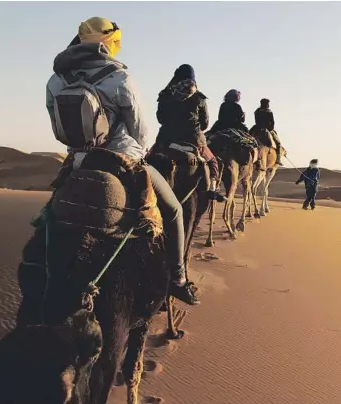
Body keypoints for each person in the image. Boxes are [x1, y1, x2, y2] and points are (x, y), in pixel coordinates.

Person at [45, 17, 199, 305]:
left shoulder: (56, 79)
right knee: (175, 211)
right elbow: (140, 131)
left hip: (78, 162)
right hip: (122, 161)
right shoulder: (120, 78)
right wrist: (138, 154)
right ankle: (178, 278)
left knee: (48, 213)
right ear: (111, 42)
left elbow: (56, 125)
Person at [155, 64, 225, 202]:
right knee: (213, 162)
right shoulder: (199, 97)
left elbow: (160, 118)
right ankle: (212, 189)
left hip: (166, 139)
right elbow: (204, 124)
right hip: (193, 141)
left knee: (146, 159)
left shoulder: (165, 94)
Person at [254, 98, 283, 165]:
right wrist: (270, 128)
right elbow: (272, 122)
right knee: (278, 143)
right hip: (267, 129)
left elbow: (256, 121)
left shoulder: (257, 111)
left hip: (257, 128)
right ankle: (278, 159)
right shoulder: (269, 112)